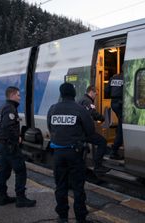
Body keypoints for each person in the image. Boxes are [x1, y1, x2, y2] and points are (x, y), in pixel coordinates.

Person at [47, 82, 94, 223]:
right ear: (73, 94)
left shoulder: (52, 109)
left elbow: (50, 127)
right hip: (75, 153)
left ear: (61, 94)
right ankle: (80, 218)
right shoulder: (80, 109)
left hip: (58, 154)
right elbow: (90, 131)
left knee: (60, 185)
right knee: (78, 187)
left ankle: (62, 217)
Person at [0, 86, 36, 207]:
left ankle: (2, 197)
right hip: (10, 145)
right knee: (21, 170)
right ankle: (21, 199)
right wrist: (17, 137)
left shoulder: (1, 108)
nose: (19, 97)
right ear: (12, 95)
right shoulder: (10, 109)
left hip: (2, 144)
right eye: (18, 95)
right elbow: (8, 127)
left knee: (4, 171)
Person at [78, 85, 111, 173]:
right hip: (84, 131)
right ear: (91, 92)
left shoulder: (82, 99)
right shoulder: (87, 101)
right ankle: (98, 166)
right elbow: (92, 113)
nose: (96, 96)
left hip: (81, 130)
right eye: (96, 94)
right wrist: (103, 118)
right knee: (102, 142)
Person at [105, 73, 124, 160]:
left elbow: (107, 91)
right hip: (121, 103)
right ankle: (114, 150)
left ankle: (116, 145)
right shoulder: (126, 77)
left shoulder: (113, 77)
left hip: (114, 103)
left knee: (120, 123)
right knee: (121, 125)